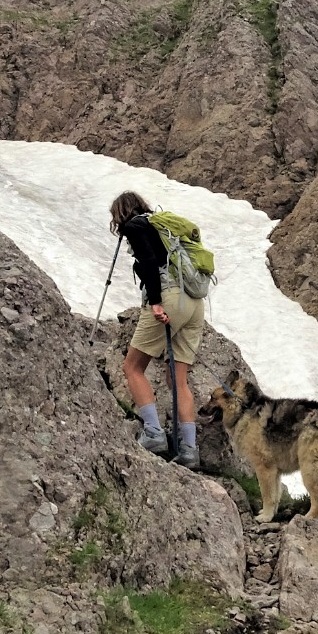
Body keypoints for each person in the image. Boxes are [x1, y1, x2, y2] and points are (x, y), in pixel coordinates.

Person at [109, 191, 205, 468]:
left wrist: (155, 302)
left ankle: (153, 433)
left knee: (133, 367)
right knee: (179, 379)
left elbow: (150, 263)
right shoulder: (162, 227)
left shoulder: (135, 226)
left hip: (170, 297)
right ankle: (189, 450)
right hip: (194, 302)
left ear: (120, 214)